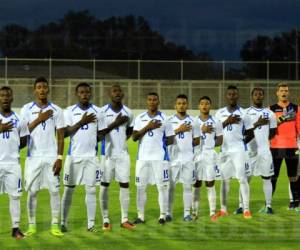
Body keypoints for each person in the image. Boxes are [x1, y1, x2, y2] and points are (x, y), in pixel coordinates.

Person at [21, 77, 64, 236]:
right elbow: (23, 132)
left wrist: (59, 158)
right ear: (34, 90)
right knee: (32, 192)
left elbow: (60, 136)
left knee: (54, 191)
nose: (42, 90)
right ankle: (31, 225)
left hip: (51, 157)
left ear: (48, 89)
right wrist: (40, 119)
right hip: (33, 157)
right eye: (39, 87)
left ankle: (54, 225)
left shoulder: (57, 110)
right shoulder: (26, 109)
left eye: (45, 87)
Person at [61, 82, 107, 232]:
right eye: (81, 92)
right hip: (73, 157)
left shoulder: (99, 112)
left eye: (87, 92)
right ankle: (63, 222)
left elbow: (102, 133)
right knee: (68, 189)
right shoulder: (69, 111)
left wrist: (94, 138)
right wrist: (82, 121)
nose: (85, 95)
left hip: (91, 158)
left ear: (90, 94)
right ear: (76, 94)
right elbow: (66, 133)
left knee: (91, 190)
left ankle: (91, 224)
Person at [132, 92, 174, 225]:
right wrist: (148, 127)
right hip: (142, 159)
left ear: (158, 101)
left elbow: (171, 138)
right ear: (147, 101)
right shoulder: (140, 118)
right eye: (150, 99)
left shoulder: (165, 119)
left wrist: (159, 145)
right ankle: (141, 216)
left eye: (155, 100)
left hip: (160, 159)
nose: (152, 102)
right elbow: (134, 137)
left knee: (162, 187)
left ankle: (162, 215)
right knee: (140, 188)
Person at [235, 87, 277, 214]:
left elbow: (273, 132)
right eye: (256, 94)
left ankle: (268, 206)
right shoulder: (245, 113)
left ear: (263, 96)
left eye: (260, 94)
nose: (258, 96)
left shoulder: (270, 114)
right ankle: (242, 206)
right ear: (252, 96)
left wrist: (263, 140)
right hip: (249, 152)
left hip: (264, 152)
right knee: (245, 179)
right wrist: (257, 125)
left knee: (266, 178)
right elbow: (243, 136)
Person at [99, 84, 135, 230]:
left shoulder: (129, 112)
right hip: (106, 155)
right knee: (104, 186)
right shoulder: (102, 112)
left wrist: (120, 143)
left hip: (123, 155)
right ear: (109, 93)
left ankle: (124, 219)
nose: (117, 93)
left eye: (120, 90)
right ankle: (105, 219)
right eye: (114, 90)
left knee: (125, 185)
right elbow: (100, 134)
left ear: (123, 94)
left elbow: (130, 131)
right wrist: (116, 123)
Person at [215, 85, 254, 219]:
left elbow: (251, 133)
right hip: (224, 151)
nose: (232, 96)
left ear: (237, 96)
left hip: (239, 151)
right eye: (230, 94)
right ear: (226, 96)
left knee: (242, 179)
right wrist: (227, 121)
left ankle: (246, 209)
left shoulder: (244, 113)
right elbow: (216, 131)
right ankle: (223, 209)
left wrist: (242, 143)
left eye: (234, 94)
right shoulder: (219, 113)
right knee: (224, 180)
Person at [0, 86, 28, 239]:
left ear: (12, 98)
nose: (5, 98)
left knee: (15, 197)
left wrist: (12, 150)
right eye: (2, 95)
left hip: (13, 165)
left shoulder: (20, 120)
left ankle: (15, 228)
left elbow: (23, 141)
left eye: (7, 95)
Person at [166, 94, 200, 222]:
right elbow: (166, 140)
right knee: (171, 187)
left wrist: (187, 145)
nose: (181, 105)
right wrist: (179, 130)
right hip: (172, 159)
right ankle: (168, 213)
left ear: (187, 105)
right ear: (175, 105)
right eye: (179, 103)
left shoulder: (193, 121)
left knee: (187, 187)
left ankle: (187, 214)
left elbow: (197, 141)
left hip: (187, 159)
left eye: (184, 103)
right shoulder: (169, 121)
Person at [269, 82, 300, 210]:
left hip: (292, 146)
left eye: (286, 91)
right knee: (273, 176)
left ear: (289, 93)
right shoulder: (271, 108)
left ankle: (294, 203)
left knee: (293, 176)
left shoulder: (296, 108)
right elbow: (269, 126)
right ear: (277, 93)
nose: (284, 93)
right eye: (281, 90)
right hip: (275, 147)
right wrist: (284, 118)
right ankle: (268, 204)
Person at [192, 96, 223, 221]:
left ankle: (212, 212)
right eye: (202, 103)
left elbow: (220, 140)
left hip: (210, 155)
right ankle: (194, 212)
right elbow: (189, 140)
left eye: (207, 103)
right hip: (196, 155)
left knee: (210, 183)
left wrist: (210, 145)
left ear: (210, 105)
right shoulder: (193, 122)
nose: (204, 106)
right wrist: (201, 130)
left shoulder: (217, 121)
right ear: (198, 106)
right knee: (197, 183)